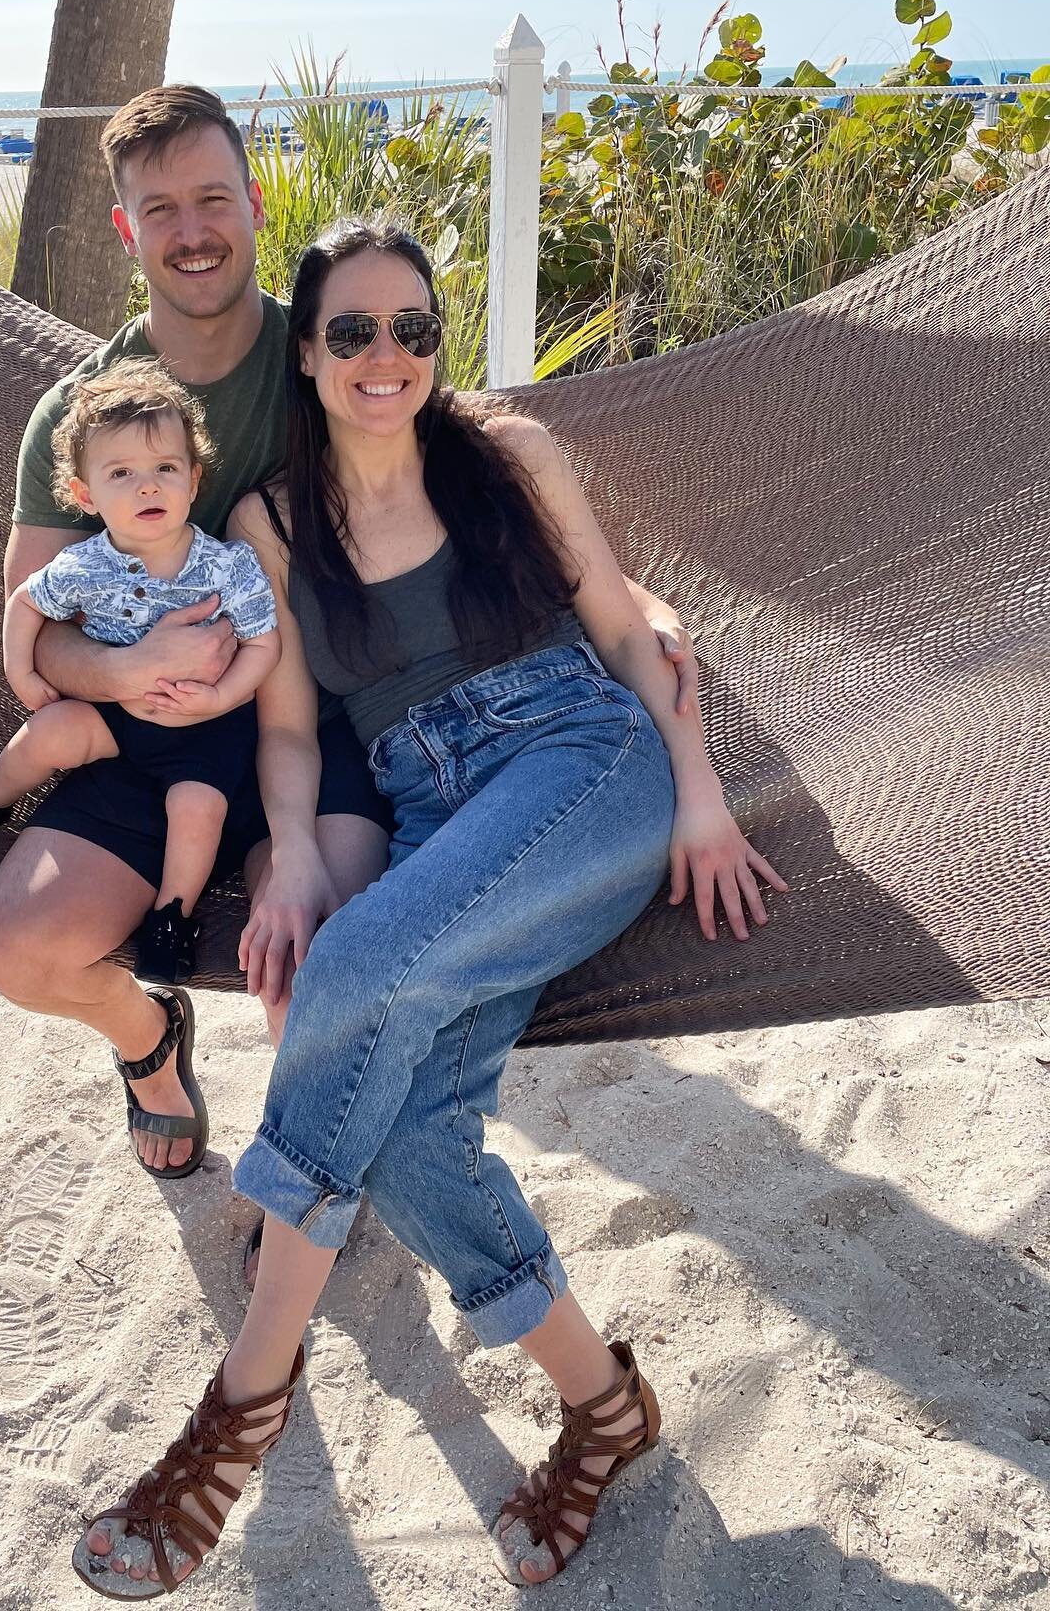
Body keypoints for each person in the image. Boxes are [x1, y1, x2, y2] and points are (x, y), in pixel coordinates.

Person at [74, 218, 786, 1598]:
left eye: (414, 331)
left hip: (583, 764)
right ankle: (604, 1405)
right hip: (435, 814)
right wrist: (286, 845)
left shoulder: (507, 454)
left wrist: (698, 787)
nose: (385, 356)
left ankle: (248, 1394)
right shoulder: (268, 525)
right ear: (309, 349)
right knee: (406, 1144)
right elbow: (289, 728)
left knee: (357, 966)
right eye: (354, 332)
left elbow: (627, 627)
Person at [0, 84, 700, 1182]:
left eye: (212, 197)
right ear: (127, 229)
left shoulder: (322, 344)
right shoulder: (85, 409)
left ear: (254, 205)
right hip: (148, 729)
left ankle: (300, 1168)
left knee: (313, 950)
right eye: (159, 209)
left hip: (323, 715)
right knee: (15, 950)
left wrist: (626, 597)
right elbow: (31, 636)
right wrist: (130, 666)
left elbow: (448, 464)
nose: (192, 230)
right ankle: (148, 1041)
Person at [0, 359, 280, 1008]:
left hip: (205, 727)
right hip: (119, 714)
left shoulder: (228, 565)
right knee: (53, 729)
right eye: (121, 475)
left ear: (193, 480)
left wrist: (222, 696)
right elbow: (26, 603)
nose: (146, 487)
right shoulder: (86, 564)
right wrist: (22, 673)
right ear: (86, 496)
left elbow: (263, 644)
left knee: (198, 809)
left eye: (165, 468)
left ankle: (173, 915)